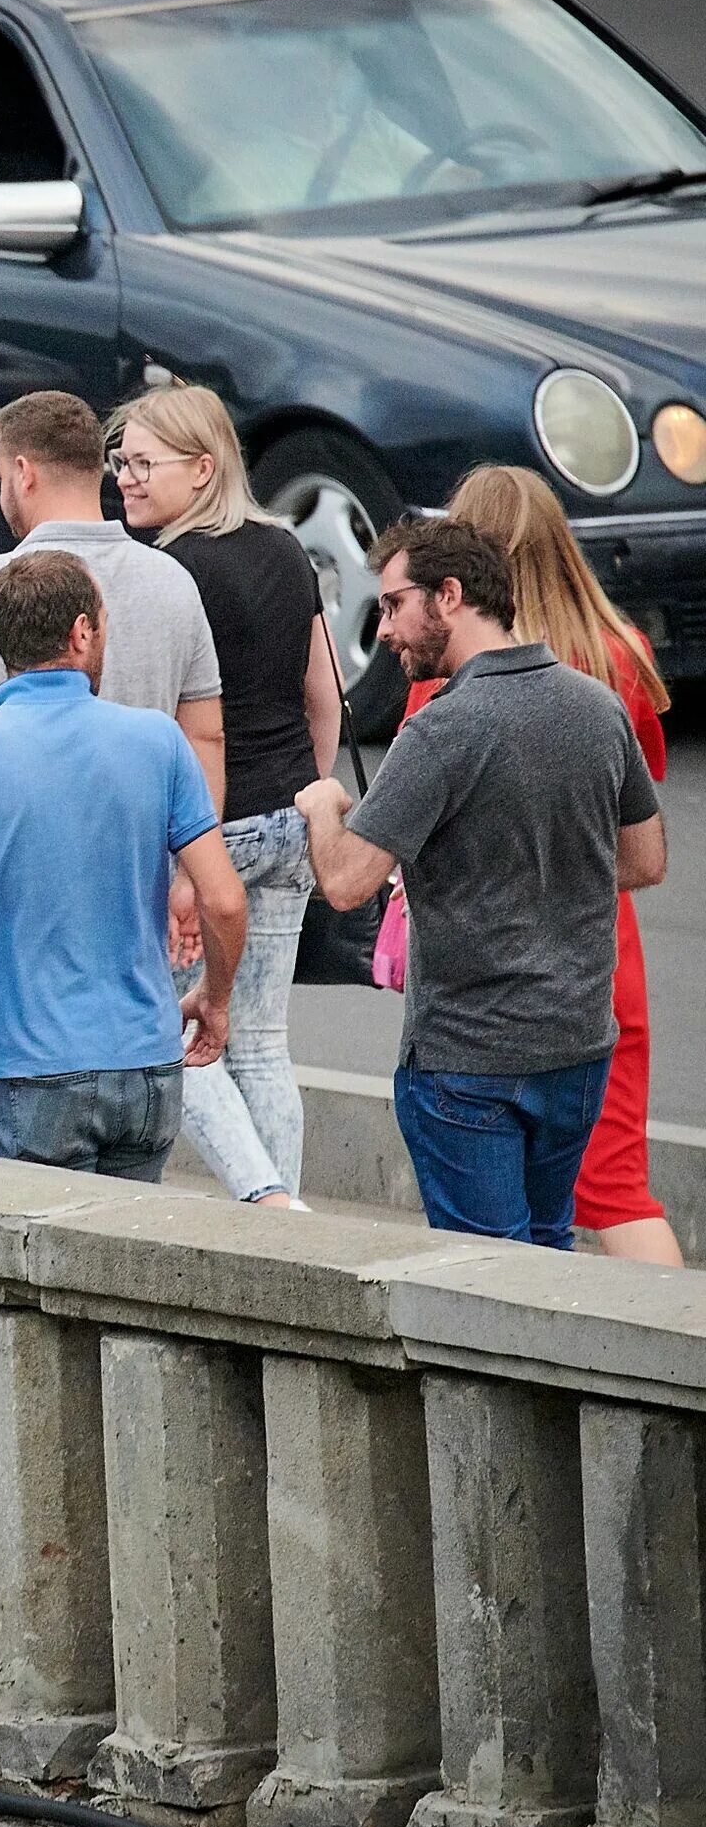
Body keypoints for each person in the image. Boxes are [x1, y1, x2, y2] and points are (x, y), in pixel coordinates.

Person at [296, 519, 666, 1250]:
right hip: (578, 1048)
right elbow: (645, 860)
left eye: (395, 604)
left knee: (483, 1278)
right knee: (546, 1255)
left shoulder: (441, 729)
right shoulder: (597, 706)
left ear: (450, 596)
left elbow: (345, 883)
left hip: (466, 1062)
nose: (386, 629)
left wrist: (323, 807)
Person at [0, 551, 247, 1180]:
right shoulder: (158, 740)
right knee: (124, 1266)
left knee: (41, 1270)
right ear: (81, 632)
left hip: (32, 1068)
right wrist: (216, 998)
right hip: (146, 1067)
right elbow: (225, 900)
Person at [410, 467, 681, 1265]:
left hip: (487, 981)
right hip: (601, 955)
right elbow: (640, 818)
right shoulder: (615, 653)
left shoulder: (449, 680)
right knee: (616, 1192)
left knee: (500, 1219)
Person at [109, 382, 344, 1210]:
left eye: (143, 462)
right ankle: (287, 1221)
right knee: (262, 1039)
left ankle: (265, 1197)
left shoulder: (170, 571)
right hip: (290, 823)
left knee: (171, 1029)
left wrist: (183, 854)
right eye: (121, 460)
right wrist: (309, 796)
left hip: (213, 833)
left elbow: (164, 719)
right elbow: (326, 695)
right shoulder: (286, 550)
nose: (126, 477)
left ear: (203, 468)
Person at [0, 390, 226, 808]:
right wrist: (190, 868)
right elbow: (204, 736)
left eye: (1, 478)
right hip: (143, 860)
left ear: (23, 473)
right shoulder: (173, 580)